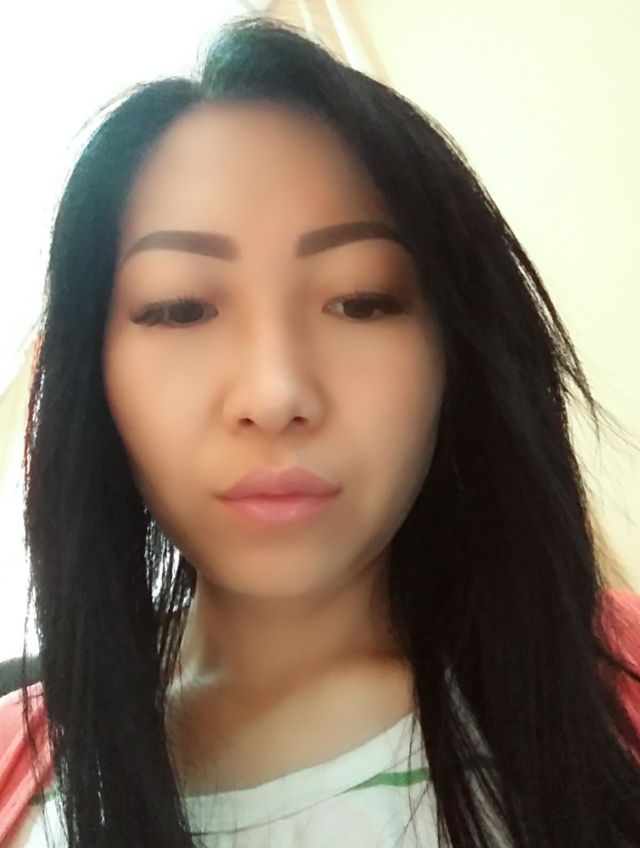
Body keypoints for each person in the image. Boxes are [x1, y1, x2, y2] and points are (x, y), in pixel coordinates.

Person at [2, 15, 640, 848]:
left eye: (362, 300)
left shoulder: (611, 685)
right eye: (181, 308)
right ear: (92, 376)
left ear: (458, 353)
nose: (276, 394)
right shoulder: (22, 770)